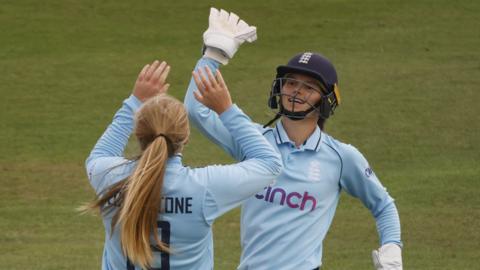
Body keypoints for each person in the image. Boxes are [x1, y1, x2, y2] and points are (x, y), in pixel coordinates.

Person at [184, 8, 403, 270]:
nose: (296, 92)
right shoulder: (252, 141)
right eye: (290, 83)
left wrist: (392, 247)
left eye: (309, 87)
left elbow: (383, 204)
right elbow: (196, 110)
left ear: (326, 101)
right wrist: (213, 55)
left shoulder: (342, 157)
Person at [84, 59, 282, 270]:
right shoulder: (203, 188)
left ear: (138, 132)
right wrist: (227, 110)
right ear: (185, 138)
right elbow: (270, 163)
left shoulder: (109, 176)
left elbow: (100, 154)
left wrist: (135, 101)